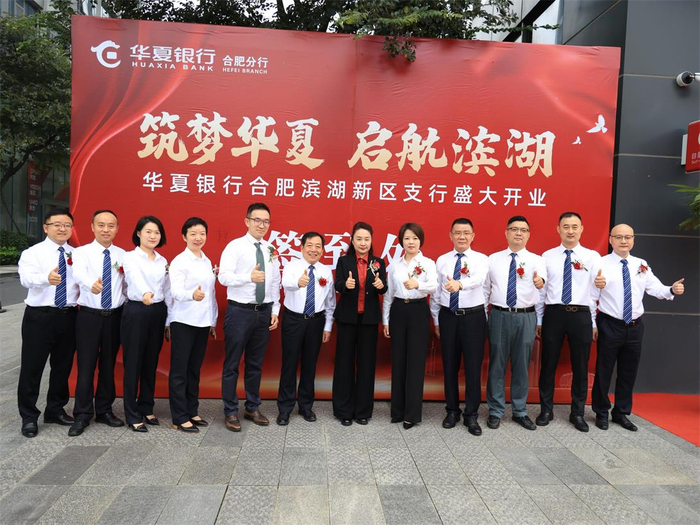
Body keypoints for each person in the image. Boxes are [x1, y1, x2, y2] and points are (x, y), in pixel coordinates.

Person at [590, 223, 684, 431]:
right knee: (604, 370)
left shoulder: (641, 264)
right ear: (610, 240)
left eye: (628, 237)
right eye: (619, 237)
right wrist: (592, 323)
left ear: (633, 239)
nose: (623, 241)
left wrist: (671, 289)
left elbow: (655, 287)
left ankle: (621, 413)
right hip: (610, 324)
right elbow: (591, 296)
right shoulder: (600, 263)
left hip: (634, 326)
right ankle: (601, 412)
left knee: (628, 371)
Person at [535, 212, 600, 433]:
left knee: (580, 366)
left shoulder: (592, 256)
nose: (570, 231)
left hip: (580, 315)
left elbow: (595, 292)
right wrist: (539, 319)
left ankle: (577, 413)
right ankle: (546, 410)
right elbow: (542, 291)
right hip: (554, 313)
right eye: (566, 226)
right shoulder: (547, 256)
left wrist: (593, 321)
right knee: (548, 364)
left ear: (581, 229)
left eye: (574, 226)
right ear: (558, 229)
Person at [218, 203, 280, 431]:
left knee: (255, 364)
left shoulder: (271, 249)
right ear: (247, 221)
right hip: (239, 312)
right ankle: (230, 410)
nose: (262, 225)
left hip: (263, 313)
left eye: (266, 221)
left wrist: (275, 310)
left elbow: (274, 282)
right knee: (232, 364)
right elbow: (223, 277)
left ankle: (252, 407)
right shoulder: (234, 247)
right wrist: (248, 277)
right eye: (257, 220)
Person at [17, 208, 79, 438]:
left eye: (67, 225)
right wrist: (46, 279)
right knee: (32, 368)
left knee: (62, 367)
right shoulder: (33, 253)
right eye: (57, 225)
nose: (62, 229)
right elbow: (25, 279)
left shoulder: (77, 254)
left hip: (68, 316)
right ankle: (29, 417)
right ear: (46, 227)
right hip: (39, 317)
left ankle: (55, 409)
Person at [484, 215, 546, 431]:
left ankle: (520, 411)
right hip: (499, 315)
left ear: (528, 235)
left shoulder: (537, 260)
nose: (518, 233)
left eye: (523, 230)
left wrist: (539, 281)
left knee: (522, 365)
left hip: (526, 317)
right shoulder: (493, 259)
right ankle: (495, 410)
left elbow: (542, 283)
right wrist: (484, 316)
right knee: (497, 364)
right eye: (514, 229)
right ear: (506, 233)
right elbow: (485, 289)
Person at [68, 210, 127, 436]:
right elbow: (78, 274)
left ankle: (104, 410)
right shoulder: (81, 252)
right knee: (86, 367)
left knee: (108, 366)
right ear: (92, 227)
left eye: (111, 225)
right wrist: (91, 284)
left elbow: (127, 284)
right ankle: (82, 415)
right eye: (101, 225)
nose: (105, 229)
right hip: (89, 317)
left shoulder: (122, 255)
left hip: (114, 317)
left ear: (117, 229)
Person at [431, 218, 488, 436]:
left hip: (473, 317)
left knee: (473, 368)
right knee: (449, 366)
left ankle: (471, 415)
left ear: (473, 236)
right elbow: (437, 292)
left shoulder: (481, 259)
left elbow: (479, 280)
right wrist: (436, 320)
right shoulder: (442, 260)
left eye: (466, 233)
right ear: (450, 235)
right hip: (448, 316)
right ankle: (452, 411)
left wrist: (460, 284)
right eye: (457, 233)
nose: (462, 236)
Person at [276, 232, 336, 425]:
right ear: (301, 248)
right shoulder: (292, 266)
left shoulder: (325, 271)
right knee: (289, 364)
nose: (313, 250)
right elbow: (285, 284)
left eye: (318, 246)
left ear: (323, 250)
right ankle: (285, 408)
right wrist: (298, 283)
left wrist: (328, 325)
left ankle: (306, 406)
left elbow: (330, 301)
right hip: (293, 320)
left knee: (310, 365)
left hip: (316, 322)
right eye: (310, 245)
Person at [383, 222, 437, 429]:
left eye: (415, 238)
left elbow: (434, 286)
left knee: (415, 362)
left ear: (420, 240)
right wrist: (386, 320)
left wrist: (418, 285)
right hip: (398, 310)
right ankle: (397, 411)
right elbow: (388, 295)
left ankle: (411, 414)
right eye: (407, 238)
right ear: (401, 241)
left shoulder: (428, 263)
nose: (411, 242)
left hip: (418, 310)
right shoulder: (394, 265)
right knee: (398, 360)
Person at [332, 222, 387, 426]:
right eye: (359, 239)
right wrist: (345, 285)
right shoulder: (344, 261)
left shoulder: (378, 262)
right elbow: (337, 285)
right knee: (344, 364)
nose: (363, 243)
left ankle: (363, 411)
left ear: (371, 241)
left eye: (366, 239)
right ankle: (344, 411)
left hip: (369, 321)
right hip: (347, 319)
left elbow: (384, 288)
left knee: (366, 365)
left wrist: (381, 285)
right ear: (352, 241)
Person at [167, 217, 218, 433]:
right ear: (184, 236)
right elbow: (175, 291)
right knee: (180, 371)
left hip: (202, 322)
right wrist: (192, 295)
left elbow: (211, 294)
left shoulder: (206, 260)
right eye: (193, 234)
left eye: (202, 234)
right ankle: (179, 416)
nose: (198, 238)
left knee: (194, 369)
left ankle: (191, 410)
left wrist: (212, 320)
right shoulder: (179, 261)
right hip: (183, 321)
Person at [121, 216, 171, 432]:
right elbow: (134, 277)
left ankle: (146, 406)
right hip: (137, 310)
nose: (153, 236)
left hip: (157, 311)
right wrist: (145, 293)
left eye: (157, 232)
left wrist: (169, 319)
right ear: (138, 233)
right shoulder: (130, 257)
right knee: (133, 363)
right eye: (148, 231)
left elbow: (167, 290)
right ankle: (132, 414)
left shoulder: (162, 260)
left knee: (151, 362)